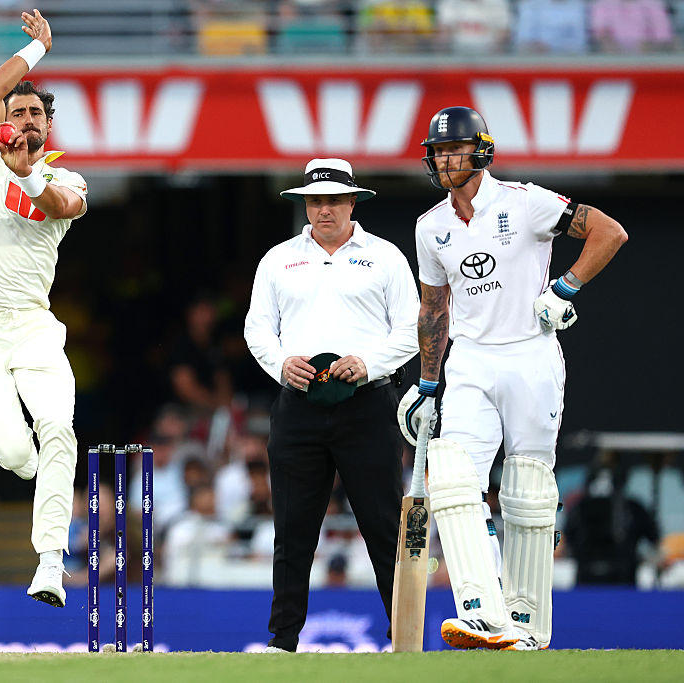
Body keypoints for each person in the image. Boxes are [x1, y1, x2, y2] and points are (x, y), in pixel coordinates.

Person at [398, 106, 628, 650]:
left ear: (480, 152)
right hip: (470, 360)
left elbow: (609, 233)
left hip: (532, 354)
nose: (444, 160)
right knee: (452, 478)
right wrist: (428, 384)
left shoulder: (526, 202)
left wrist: (564, 289)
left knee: (528, 492)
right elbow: (434, 310)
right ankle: (482, 611)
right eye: (437, 152)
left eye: (454, 150)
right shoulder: (430, 227)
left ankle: (527, 626)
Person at [244, 158, 419, 653]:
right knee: (293, 531)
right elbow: (258, 327)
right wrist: (282, 364)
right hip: (299, 404)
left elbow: (410, 329)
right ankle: (282, 643)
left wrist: (369, 362)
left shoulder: (385, 257)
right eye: (315, 200)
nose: (323, 209)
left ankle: (404, 641)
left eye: (333, 200)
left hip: (368, 405)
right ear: (305, 203)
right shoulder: (278, 258)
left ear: (352, 202)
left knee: (384, 526)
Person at [0, 8, 87, 609]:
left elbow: (63, 207)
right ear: (4, 122)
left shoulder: (69, 176)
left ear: (48, 126)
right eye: (18, 111)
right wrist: (36, 52)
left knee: (60, 427)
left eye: (37, 113)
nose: (26, 118)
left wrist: (30, 177)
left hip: (33, 326)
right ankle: (36, 470)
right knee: (14, 454)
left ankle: (50, 564)